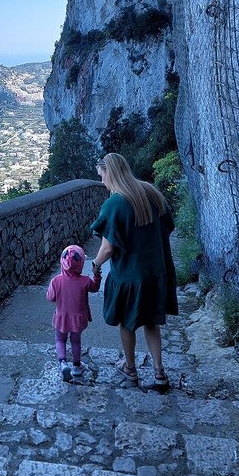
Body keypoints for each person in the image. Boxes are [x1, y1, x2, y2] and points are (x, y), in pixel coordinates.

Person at [90, 153, 178, 386]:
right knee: (152, 322)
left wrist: (95, 265)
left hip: (129, 276)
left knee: (127, 322)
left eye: (102, 176)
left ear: (110, 172)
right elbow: (169, 227)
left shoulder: (115, 203)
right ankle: (159, 372)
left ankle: (130, 368)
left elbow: (107, 248)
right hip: (156, 273)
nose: (102, 182)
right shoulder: (152, 193)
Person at [46, 244, 102, 381]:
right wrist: (96, 275)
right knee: (76, 341)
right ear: (81, 263)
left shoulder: (56, 281)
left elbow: (50, 298)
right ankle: (76, 366)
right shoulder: (85, 281)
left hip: (61, 317)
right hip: (78, 318)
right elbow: (95, 288)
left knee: (60, 339)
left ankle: (63, 363)